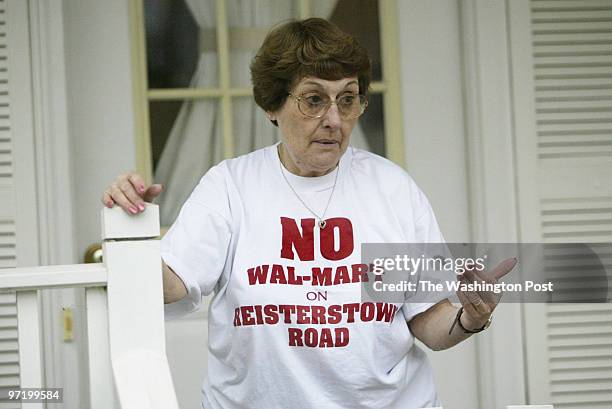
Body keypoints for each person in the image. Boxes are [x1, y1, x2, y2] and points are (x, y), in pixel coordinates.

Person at [101, 18, 516, 409]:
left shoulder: (393, 189)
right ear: (272, 105)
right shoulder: (230, 186)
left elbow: (426, 321)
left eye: (347, 100)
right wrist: (131, 232)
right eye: (314, 100)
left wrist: (469, 317)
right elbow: (172, 285)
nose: (333, 120)